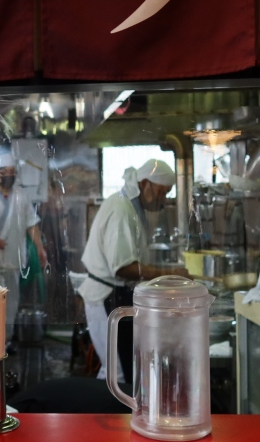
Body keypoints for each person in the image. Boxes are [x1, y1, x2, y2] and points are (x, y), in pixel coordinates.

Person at [76, 158, 185, 381]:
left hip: (115, 296)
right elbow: (123, 267)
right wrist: (167, 275)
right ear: (145, 184)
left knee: (120, 368)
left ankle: (114, 404)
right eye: (162, 192)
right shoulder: (121, 209)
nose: (163, 200)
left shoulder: (130, 207)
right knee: (116, 372)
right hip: (106, 297)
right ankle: (106, 405)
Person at [0, 152, 47, 335]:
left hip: (14, 259)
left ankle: (6, 341)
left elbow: (31, 224)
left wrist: (40, 248)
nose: (9, 175)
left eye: (12, 172)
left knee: (11, 302)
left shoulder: (21, 196)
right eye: (4, 172)